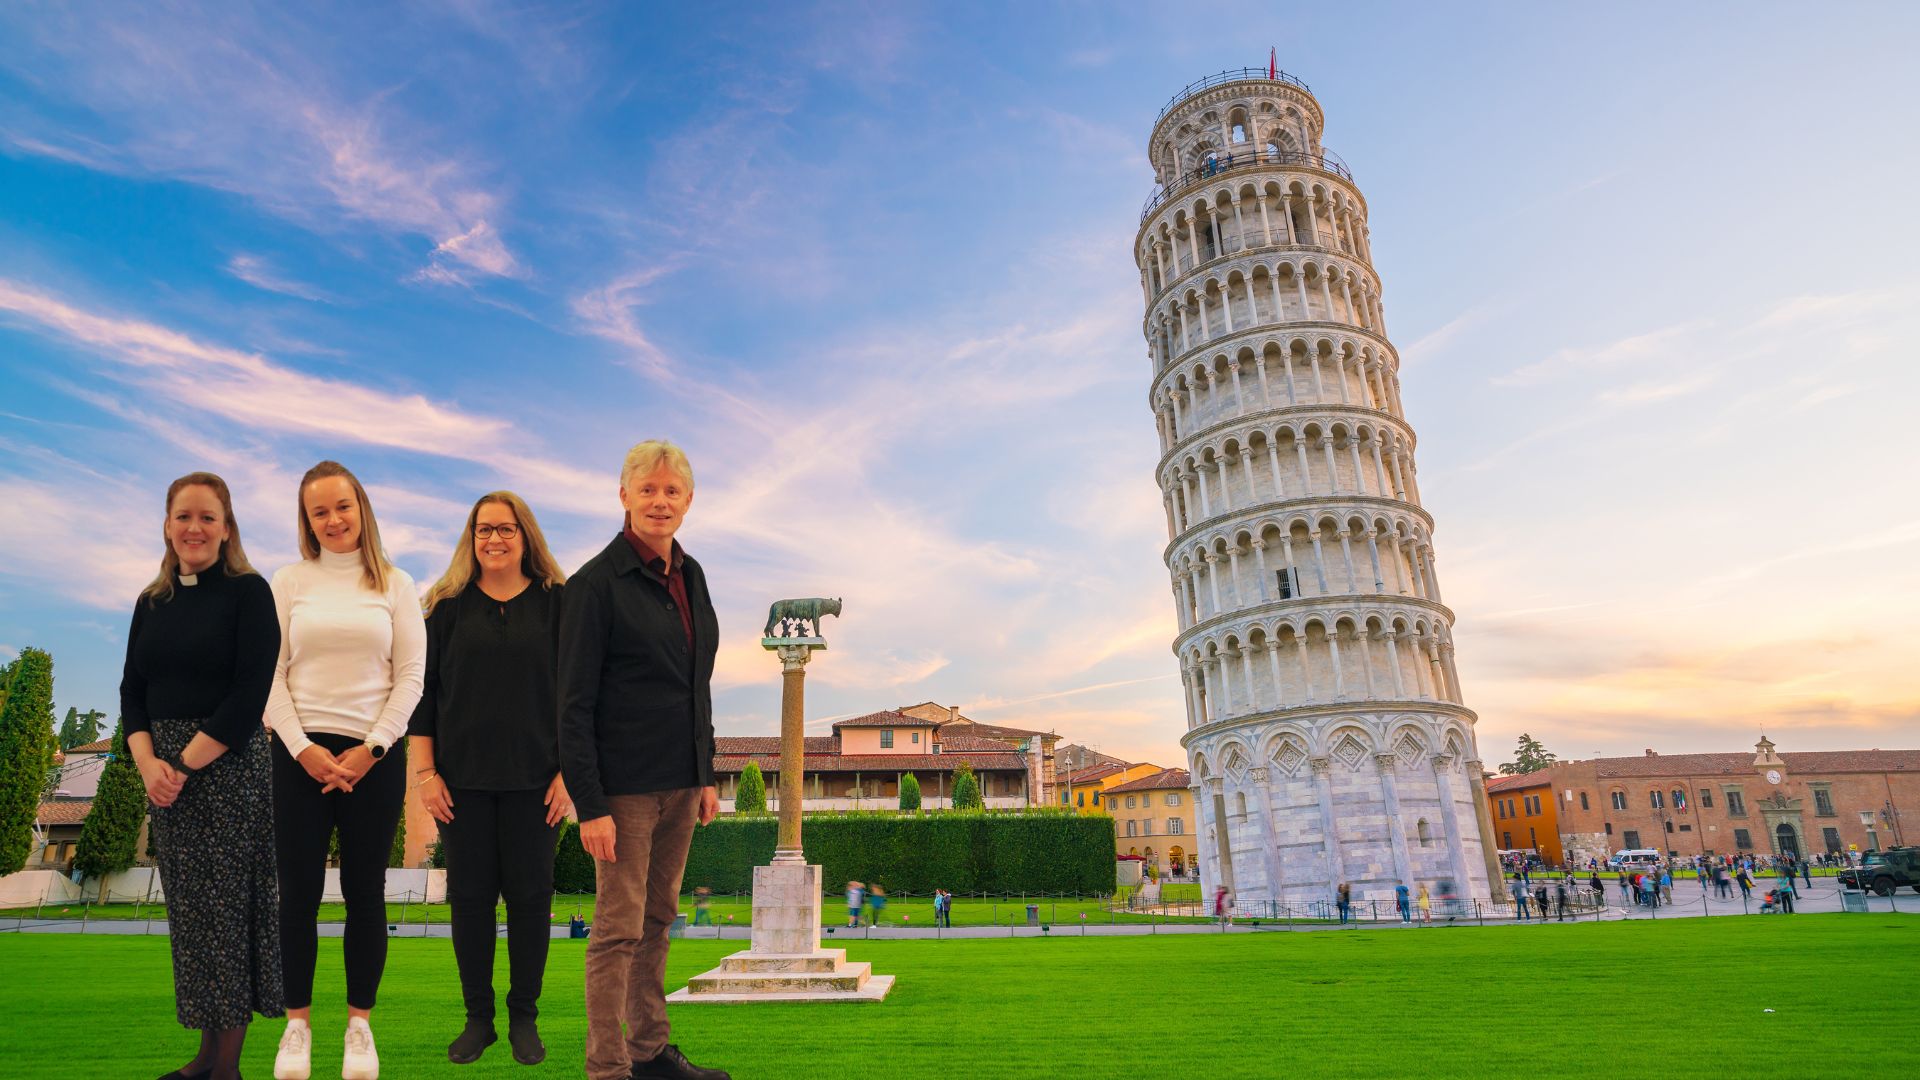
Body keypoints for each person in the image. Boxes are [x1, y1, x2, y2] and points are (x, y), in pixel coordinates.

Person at [561, 440, 728, 1080]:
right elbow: (571, 706)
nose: (660, 501)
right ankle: (607, 1068)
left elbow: (697, 682)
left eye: (673, 491)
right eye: (648, 489)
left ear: (688, 501)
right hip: (623, 792)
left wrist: (705, 772)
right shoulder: (594, 586)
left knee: (659, 921)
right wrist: (591, 805)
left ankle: (650, 1052)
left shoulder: (692, 575)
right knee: (616, 932)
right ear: (624, 495)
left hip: (682, 784)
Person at [122, 472, 283, 1080]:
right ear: (167, 525)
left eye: (207, 518)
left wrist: (184, 764)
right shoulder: (150, 602)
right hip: (162, 773)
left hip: (226, 768)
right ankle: (207, 1057)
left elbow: (249, 694)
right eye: (183, 516)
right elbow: (131, 693)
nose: (194, 528)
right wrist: (147, 767)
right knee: (192, 921)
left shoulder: (249, 593)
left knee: (229, 917)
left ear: (226, 528)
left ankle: (227, 1068)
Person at [267, 461, 425, 1080]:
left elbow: (410, 676)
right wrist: (303, 747)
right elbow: (268, 675)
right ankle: (297, 1027)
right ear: (306, 521)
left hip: (374, 758)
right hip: (297, 753)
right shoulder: (287, 582)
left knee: (366, 894)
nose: (333, 520)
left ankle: (359, 1027)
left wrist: (374, 747)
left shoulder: (396, 584)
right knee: (297, 896)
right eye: (319, 512)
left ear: (362, 509)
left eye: (342, 507)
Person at [411, 491, 570, 1065]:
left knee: (531, 900)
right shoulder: (445, 608)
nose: (494, 540)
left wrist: (571, 775)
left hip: (538, 785)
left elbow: (579, 699)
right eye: (483, 530)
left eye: (506, 530)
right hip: (462, 786)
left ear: (526, 536)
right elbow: (422, 697)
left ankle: (524, 1017)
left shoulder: (560, 605)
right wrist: (425, 774)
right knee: (471, 901)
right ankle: (478, 1020)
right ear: (470, 538)